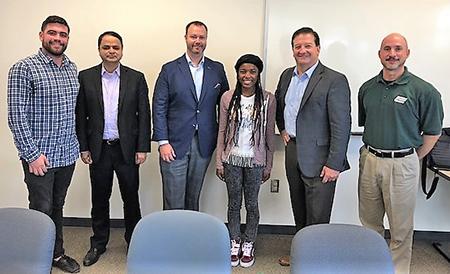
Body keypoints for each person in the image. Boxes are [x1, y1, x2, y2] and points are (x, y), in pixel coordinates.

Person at [358, 33, 443, 274]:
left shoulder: (424, 90)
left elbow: (433, 133)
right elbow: (368, 123)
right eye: (387, 49)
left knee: (400, 229)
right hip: (370, 160)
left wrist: (411, 159)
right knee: (369, 224)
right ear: (379, 54)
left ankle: (396, 271)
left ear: (407, 53)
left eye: (398, 49)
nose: (392, 54)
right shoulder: (367, 88)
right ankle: (371, 268)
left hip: (403, 163)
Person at [7, 15, 81, 273]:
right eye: (52, 33)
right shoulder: (23, 68)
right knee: (40, 208)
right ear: (41, 35)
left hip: (67, 154)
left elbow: (72, 112)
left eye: (62, 34)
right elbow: (16, 116)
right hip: (40, 158)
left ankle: (56, 254)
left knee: (57, 205)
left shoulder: (72, 68)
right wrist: (31, 154)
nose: (57, 38)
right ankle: (35, 258)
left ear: (68, 38)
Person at [275, 27, 352, 266]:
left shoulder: (334, 80)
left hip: (322, 160)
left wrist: (334, 163)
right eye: (298, 46)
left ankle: (316, 262)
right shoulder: (287, 75)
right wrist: (283, 129)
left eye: (308, 45)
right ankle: (301, 255)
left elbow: (341, 125)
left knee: (317, 215)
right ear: (293, 51)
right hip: (294, 152)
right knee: (299, 208)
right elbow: (279, 105)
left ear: (318, 48)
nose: (302, 50)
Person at [76, 31, 151, 266]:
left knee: (131, 198)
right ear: (99, 50)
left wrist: (142, 148)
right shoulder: (85, 77)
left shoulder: (136, 78)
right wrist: (84, 147)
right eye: (106, 47)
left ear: (121, 50)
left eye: (115, 47)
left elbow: (144, 115)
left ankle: (135, 242)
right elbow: (80, 116)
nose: (111, 51)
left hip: (126, 149)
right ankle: (98, 243)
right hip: (99, 149)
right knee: (100, 198)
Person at [152, 21, 229, 210]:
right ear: (186, 38)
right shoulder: (169, 69)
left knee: (193, 199)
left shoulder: (216, 69)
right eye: (193, 36)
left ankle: (190, 237)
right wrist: (163, 142)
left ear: (206, 40)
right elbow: (158, 106)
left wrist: (224, 140)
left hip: (203, 143)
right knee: (174, 200)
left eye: (201, 37)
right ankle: (172, 238)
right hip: (173, 144)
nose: (197, 41)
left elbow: (226, 104)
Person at [216, 54, 276, 268]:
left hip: (255, 162)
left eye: (252, 71)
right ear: (237, 73)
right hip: (232, 159)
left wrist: (268, 164)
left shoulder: (268, 99)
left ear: (258, 73)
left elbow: (270, 135)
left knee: (251, 204)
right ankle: (234, 241)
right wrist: (219, 161)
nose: (247, 75)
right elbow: (222, 131)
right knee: (233, 204)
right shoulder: (227, 97)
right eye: (243, 71)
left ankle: (249, 242)